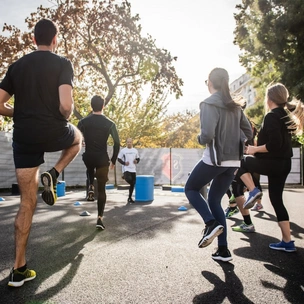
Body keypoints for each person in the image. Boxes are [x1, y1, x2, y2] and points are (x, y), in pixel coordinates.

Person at [0, 19, 82, 287]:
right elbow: (66, 106)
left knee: (27, 203)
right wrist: (62, 116)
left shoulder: (17, 66)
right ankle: (54, 172)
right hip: (53, 131)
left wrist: (18, 113)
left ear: (33, 40)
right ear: (55, 39)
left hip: (24, 137)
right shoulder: (62, 63)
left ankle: (18, 269)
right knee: (77, 139)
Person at [184, 68, 253, 262]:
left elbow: (206, 135)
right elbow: (249, 133)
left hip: (215, 159)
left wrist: (199, 138)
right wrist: (237, 144)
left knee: (190, 188)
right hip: (233, 162)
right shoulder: (236, 106)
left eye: (206, 81)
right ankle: (223, 250)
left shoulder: (208, 103)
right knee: (214, 200)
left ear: (210, 83)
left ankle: (210, 223)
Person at [239, 83, 303, 252]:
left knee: (239, 162)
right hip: (284, 164)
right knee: (276, 200)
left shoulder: (272, 116)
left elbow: (274, 145)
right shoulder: (285, 115)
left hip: (273, 163)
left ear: (270, 99)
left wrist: (254, 149)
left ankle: (253, 191)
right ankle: (287, 242)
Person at [77, 95, 120, 230]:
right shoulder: (110, 123)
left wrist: (82, 142)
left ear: (91, 106)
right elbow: (117, 143)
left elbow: (76, 137)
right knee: (102, 189)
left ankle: (90, 185)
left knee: (89, 166)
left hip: (89, 156)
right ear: (103, 106)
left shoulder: (83, 122)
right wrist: (113, 160)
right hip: (102, 159)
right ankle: (100, 218)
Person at [117, 138, 140, 203]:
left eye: (130, 142)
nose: (129, 143)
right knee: (130, 181)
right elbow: (118, 159)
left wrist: (136, 161)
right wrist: (124, 163)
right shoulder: (123, 151)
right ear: (126, 143)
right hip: (126, 169)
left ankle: (129, 198)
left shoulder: (135, 150)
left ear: (132, 142)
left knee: (133, 183)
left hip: (133, 169)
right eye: (128, 142)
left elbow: (138, 158)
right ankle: (125, 176)